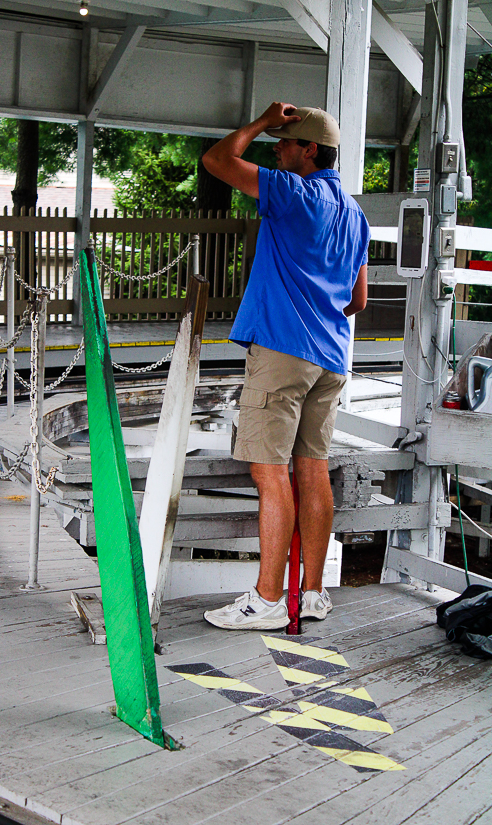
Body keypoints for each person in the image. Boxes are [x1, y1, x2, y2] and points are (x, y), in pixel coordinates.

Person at [201, 102, 370, 631]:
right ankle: (314, 593)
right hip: (331, 357)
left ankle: (268, 599)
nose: (276, 148)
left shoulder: (295, 193)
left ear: (310, 150)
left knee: (268, 472)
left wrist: (257, 120)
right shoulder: (355, 214)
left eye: (284, 141)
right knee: (312, 469)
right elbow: (358, 299)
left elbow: (218, 160)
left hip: (282, 352)